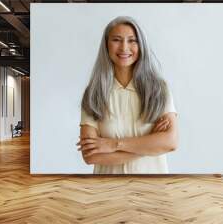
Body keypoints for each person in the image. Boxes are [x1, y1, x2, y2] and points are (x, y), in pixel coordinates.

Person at [76, 16, 178, 174]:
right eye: (116, 40)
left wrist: (113, 145)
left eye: (132, 40)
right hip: (106, 191)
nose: (124, 48)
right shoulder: (94, 93)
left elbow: (171, 142)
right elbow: (90, 156)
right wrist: (150, 145)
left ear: (141, 45)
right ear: (106, 45)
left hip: (152, 190)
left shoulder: (158, 89)